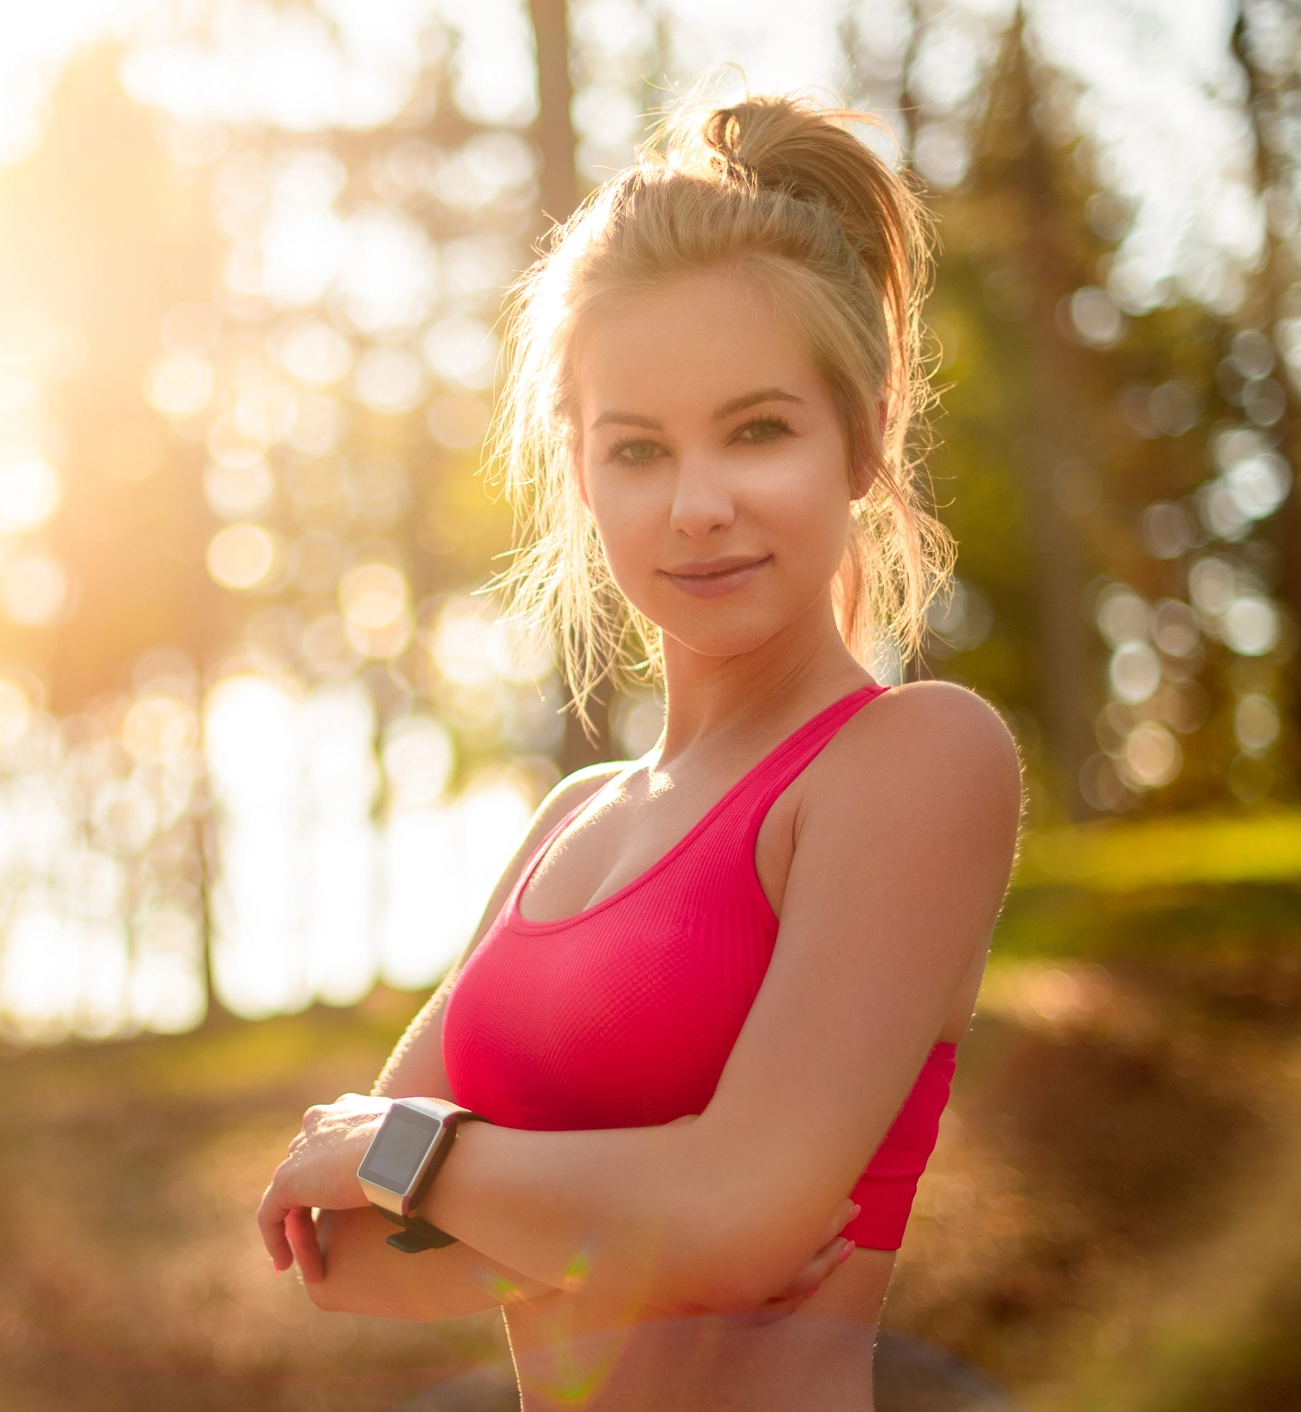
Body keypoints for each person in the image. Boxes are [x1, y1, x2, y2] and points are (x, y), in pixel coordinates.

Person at [254, 94, 1022, 1411]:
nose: (698, 504)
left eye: (759, 429)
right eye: (639, 450)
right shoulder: (573, 820)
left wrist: (423, 1157)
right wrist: (661, 1221)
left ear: (868, 430)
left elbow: (734, 1219)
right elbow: (347, 1252)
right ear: (583, 473)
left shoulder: (914, 760)